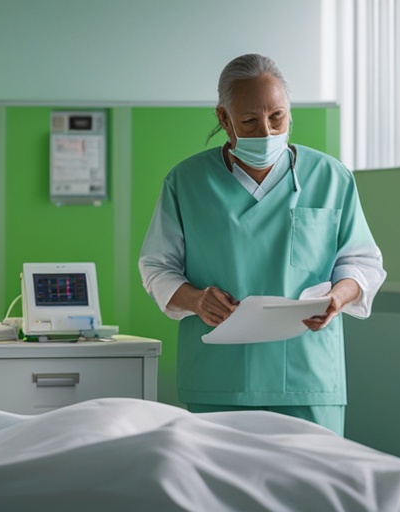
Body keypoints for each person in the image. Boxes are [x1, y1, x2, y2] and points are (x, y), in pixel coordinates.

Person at [138, 53, 386, 436]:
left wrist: (339, 296)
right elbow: (157, 266)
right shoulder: (186, 182)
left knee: (312, 490)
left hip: (308, 376)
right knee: (219, 492)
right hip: (219, 378)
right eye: (250, 121)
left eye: (277, 117)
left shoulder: (331, 178)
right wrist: (196, 299)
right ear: (224, 119)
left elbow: (362, 262)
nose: (267, 132)